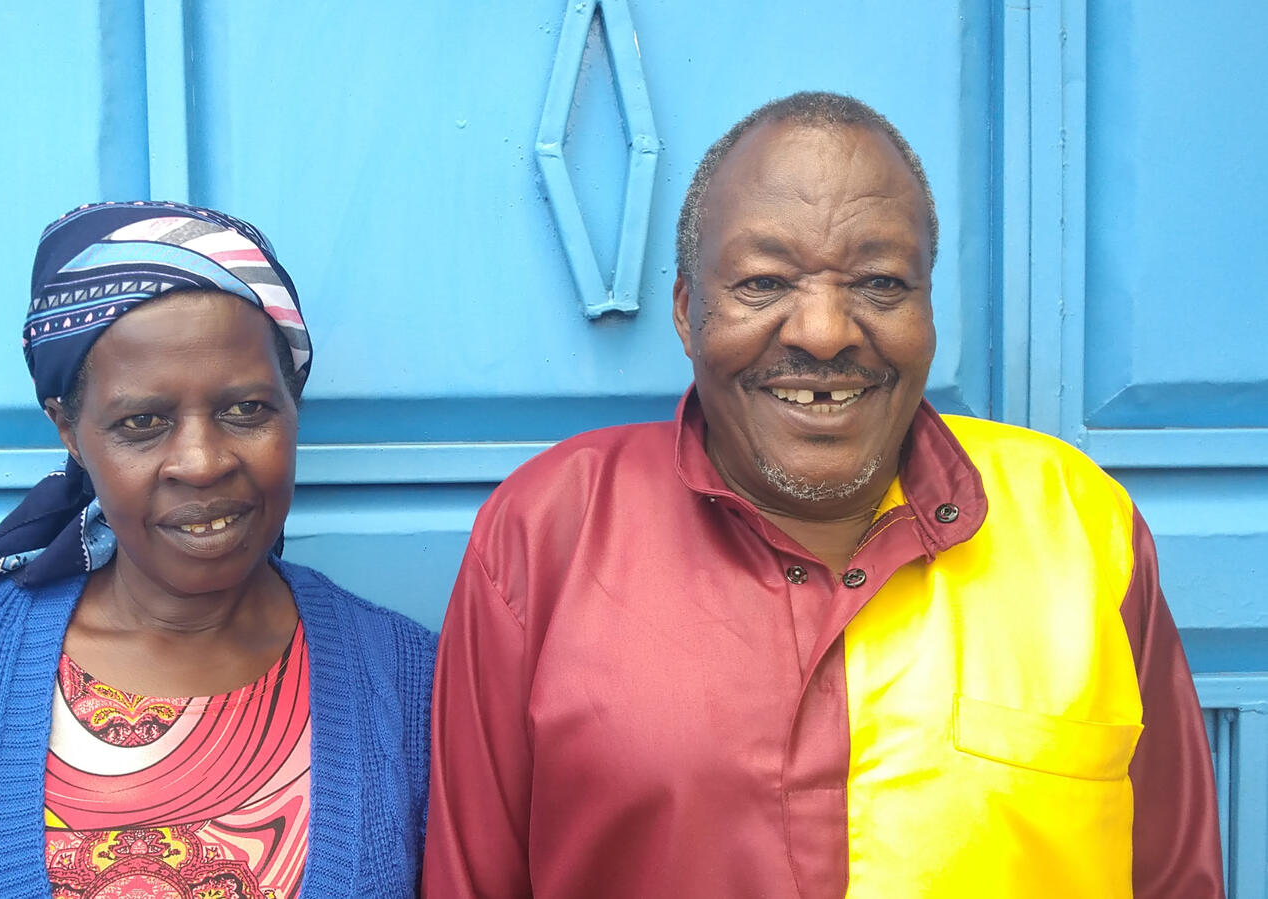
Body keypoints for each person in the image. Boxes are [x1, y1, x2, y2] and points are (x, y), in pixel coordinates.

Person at [423, 93, 1224, 897]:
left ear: (927, 310)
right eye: (764, 282)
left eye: (878, 282)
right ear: (686, 312)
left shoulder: (1077, 525)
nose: (823, 330)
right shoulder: (548, 532)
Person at [0, 201, 435, 897]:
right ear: (69, 430)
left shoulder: (411, 681)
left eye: (246, 409)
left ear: (292, 408)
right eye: (142, 421)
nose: (202, 462)